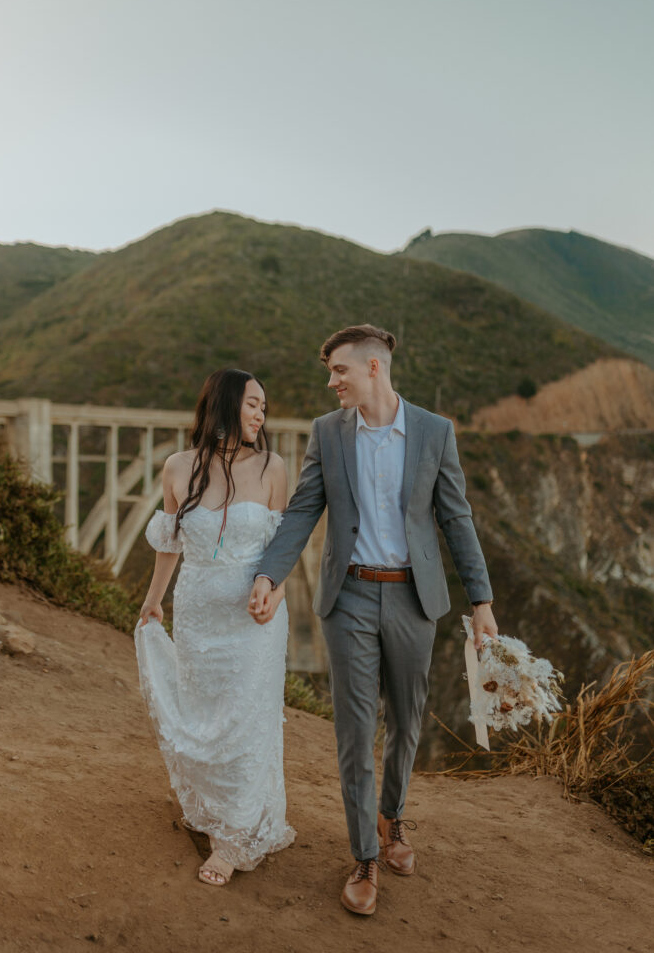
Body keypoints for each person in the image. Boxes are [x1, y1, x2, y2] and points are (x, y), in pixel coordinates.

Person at [249, 324, 497, 916]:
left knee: (407, 720)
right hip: (350, 597)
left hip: (415, 599)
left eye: (339, 371)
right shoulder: (326, 434)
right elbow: (304, 510)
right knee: (355, 730)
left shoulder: (435, 432)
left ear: (373, 369)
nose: (331, 382)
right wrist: (270, 574)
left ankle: (392, 819)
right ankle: (363, 854)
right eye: (331, 372)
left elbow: (456, 520)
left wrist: (481, 601)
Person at [135, 368, 295, 887]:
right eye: (253, 404)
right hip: (199, 612)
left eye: (264, 408)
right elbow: (170, 543)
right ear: (225, 404)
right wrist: (153, 600)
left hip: (254, 617)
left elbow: (283, 551)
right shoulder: (178, 467)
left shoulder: (273, 467)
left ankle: (232, 839)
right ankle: (209, 808)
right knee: (203, 713)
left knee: (244, 722)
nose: (260, 415)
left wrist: (276, 593)